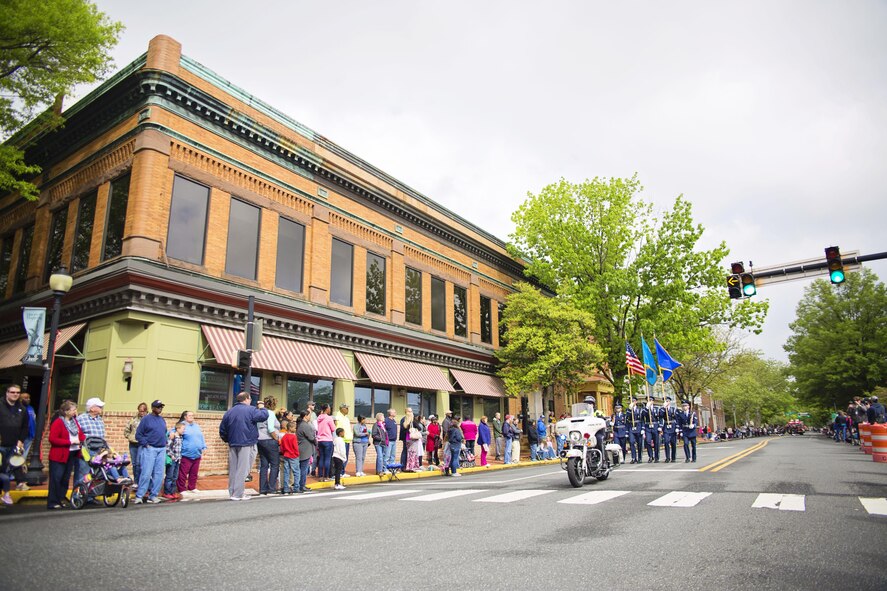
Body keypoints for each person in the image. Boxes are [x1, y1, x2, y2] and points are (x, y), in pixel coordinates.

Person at [219, 392, 270, 500]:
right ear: (246, 399)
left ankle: (232, 492)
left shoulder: (229, 412)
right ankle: (238, 494)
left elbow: (222, 429)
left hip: (233, 443)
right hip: (247, 442)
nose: (251, 400)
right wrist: (262, 407)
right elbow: (264, 416)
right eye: (250, 398)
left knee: (234, 469)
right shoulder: (251, 410)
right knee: (243, 468)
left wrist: (228, 440)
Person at [47, 400, 84, 510]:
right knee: (56, 478)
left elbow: (80, 434)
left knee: (65, 478)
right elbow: (53, 439)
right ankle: (53, 501)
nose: (75, 412)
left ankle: (61, 498)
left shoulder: (74, 422)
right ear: (66, 411)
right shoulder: (58, 422)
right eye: (73, 410)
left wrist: (82, 440)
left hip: (72, 453)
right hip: (59, 455)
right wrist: (70, 442)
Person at [135, 400, 169, 504]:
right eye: (158, 407)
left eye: (161, 407)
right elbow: (138, 435)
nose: (160, 409)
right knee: (146, 473)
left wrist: (165, 442)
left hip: (161, 449)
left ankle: (153, 495)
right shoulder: (146, 419)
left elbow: (164, 432)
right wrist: (146, 444)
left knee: (159, 474)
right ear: (153, 408)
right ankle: (139, 496)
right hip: (150, 448)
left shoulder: (162, 420)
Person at [0, 385, 29, 503]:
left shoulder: (22, 409)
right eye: (12, 392)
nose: (15, 394)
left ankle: (17, 485)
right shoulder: (0, 405)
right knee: (1, 468)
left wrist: (21, 441)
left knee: (14, 465)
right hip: (1, 443)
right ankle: (5, 492)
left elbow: (25, 427)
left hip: (14, 443)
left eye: (17, 392)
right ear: (7, 393)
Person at [74, 397, 106, 487]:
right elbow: (77, 434)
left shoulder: (99, 419)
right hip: (86, 450)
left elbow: (102, 435)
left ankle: (90, 497)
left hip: (98, 451)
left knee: (95, 475)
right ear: (92, 408)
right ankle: (78, 497)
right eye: (99, 406)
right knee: (83, 473)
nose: (101, 408)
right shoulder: (81, 419)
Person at [256, 397, 281, 495]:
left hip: (260, 440)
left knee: (264, 465)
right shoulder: (270, 413)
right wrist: (276, 438)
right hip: (269, 440)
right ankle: (271, 488)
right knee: (275, 465)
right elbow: (271, 428)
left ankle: (262, 489)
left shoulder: (259, 413)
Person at [177, 410, 206, 496]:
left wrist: (203, 446)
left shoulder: (196, 426)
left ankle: (192, 487)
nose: (192, 417)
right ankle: (181, 488)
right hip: (186, 454)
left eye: (192, 415)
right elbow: (173, 432)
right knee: (183, 473)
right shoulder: (182, 425)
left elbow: (201, 437)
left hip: (197, 453)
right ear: (185, 417)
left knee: (194, 472)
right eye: (189, 415)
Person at [123, 403, 148, 486]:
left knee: (139, 463)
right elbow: (126, 430)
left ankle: (140, 481)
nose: (141, 413)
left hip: (142, 443)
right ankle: (136, 481)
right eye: (140, 411)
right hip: (133, 443)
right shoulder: (133, 419)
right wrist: (130, 437)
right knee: (134, 463)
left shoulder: (148, 419)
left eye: (143, 411)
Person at [17, 392, 36, 490]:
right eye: (25, 397)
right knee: (17, 457)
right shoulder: (19, 408)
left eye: (28, 397)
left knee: (23, 457)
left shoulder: (31, 408)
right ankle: (14, 476)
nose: (27, 399)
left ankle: (19, 478)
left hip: (30, 436)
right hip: (21, 437)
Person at [163, 421, 185, 500]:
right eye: (183, 429)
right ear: (177, 428)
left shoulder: (181, 437)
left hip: (178, 459)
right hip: (172, 459)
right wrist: (171, 455)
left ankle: (173, 491)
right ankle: (167, 492)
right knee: (169, 476)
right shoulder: (173, 437)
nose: (184, 430)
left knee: (175, 477)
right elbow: (168, 447)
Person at [296, 411, 316, 493]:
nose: (310, 417)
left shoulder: (301, 424)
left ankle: (302, 484)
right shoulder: (304, 425)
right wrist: (315, 441)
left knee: (303, 468)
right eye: (309, 415)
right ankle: (301, 485)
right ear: (305, 416)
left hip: (304, 448)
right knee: (303, 468)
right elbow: (311, 437)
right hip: (305, 449)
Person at [278, 421, 300, 494]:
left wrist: (284, 452)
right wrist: (297, 454)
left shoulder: (284, 437)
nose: (295, 429)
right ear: (290, 428)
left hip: (286, 455)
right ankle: (296, 487)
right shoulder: (293, 437)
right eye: (294, 427)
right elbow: (295, 447)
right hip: (293, 455)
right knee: (296, 472)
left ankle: (286, 488)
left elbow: (282, 447)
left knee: (286, 472)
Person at [316, 404, 335, 481]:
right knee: (327, 459)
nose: (330, 409)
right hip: (327, 439)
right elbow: (333, 429)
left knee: (321, 458)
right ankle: (326, 476)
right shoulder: (329, 418)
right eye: (329, 408)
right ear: (327, 409)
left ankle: (320, 476)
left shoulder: (319, 418)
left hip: (320, 440)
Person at [334, 403, 354, 478]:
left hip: (347, 440)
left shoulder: (346, 418)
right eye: (346, 408)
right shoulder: (338, 417)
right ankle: (341, 472)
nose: (348, 410)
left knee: (345, 456)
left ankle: (343, 471)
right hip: (342, 440)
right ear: (342, 409)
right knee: (341, 456)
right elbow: (338, 429)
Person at [659, 396, 679, 463]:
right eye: (665, 401)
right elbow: (660, 416)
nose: (666, 402)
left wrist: (677, 427)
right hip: (666, 427)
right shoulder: (662, 409)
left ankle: (673, 457)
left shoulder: (673, 409)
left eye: (667, 401)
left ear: (669, 402)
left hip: (672, 426)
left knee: (673, 443)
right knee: (666, 442)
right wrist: (664, 408)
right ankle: (667, 457)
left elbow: (677, 419)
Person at [641, 397, 661, 463]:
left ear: (653, 401)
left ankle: (656, 457)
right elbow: (643, 416)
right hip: (648, 426)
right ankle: (650, 456)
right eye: (648, 400)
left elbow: (660, 417)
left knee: (656, 443)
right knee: (648, 441)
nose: (649, 401)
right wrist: (647, 408)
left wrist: (660, 426)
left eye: (651, 400)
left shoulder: (657, 409)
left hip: (655, 426)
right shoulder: (644, 409)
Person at [627, 397, 643, 464]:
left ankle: (639, 458)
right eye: (631, 401)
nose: (633, 402)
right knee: (631, 442)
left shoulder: (640, 410)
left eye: (634, 401)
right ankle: (633, 458)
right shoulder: (628, 410)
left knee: (639, 443)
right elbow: (627, 417)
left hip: (638, 426)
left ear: (636, 402)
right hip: (631, 427)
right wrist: (630, 409)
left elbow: (642, 420)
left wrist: (643, 428)